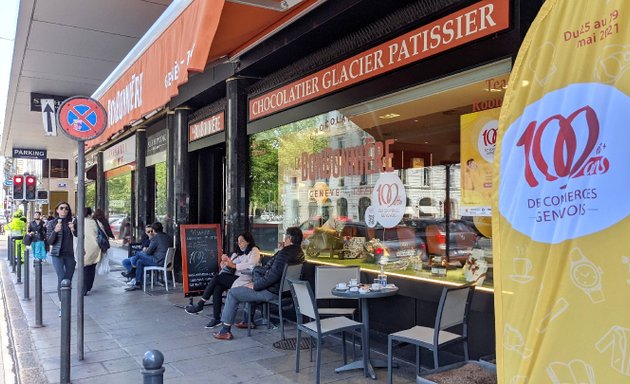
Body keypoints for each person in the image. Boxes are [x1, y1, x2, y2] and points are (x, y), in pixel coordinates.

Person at [213, 227, 305, 340]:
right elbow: (273, 272)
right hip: (287, 292)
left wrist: (255, 286)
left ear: (289, 238)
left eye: (285, 237)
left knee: (233, 293)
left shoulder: (284, 254)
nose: (284, 239)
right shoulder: (300, 253)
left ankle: (225, 331)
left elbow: (272, 276)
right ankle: (248, 321)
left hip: (272, 292)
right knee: (248, 287)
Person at [185, 232, 261, 328]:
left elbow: (252, 265)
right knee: (217, 287)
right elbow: (229, 265)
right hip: (235, 278)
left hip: (246, 280)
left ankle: (201, 304)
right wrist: (225, 262)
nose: (240, 244)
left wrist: (234, 265)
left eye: (242, 241)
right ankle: (216, 318)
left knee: (217, 278)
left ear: (248, 241)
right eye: (238, 242)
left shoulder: (254, 251)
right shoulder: (238, 253)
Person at [46, 202, 76, 314]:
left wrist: (74, 230)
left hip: (70, 255)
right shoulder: (51, 223)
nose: (64, 210)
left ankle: (65, 303)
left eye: (66, 208)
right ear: (57, 210)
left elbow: (81, 237)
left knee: (68, 281)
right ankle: (62, 306)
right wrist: (55, 231)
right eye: (61, 208)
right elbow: (49, 241)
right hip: (57, 255)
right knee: (62, 279)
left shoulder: (72, 222)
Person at [124, 222, 171, 291]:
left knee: (138, 254)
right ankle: (138, 283)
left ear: (154, 230)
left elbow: (148, 252)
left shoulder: (155, 238)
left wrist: (145, 250)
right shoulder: (167, 236)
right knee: (139, 262)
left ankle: (132, 269)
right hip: (166, 261)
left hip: (158, 261)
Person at [82, 207, 102, 296]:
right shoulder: (96, 222)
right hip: (96, 247)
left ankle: (84, 288)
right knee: (92, 267)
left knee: (85, 268)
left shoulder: (80, 222)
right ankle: (89, 286)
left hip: (85, 247)